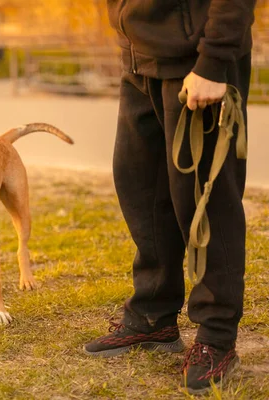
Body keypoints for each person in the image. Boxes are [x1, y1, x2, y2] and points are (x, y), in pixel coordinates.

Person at [83, 0, 257, 395]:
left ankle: (217, 336)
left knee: (205, 203)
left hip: (198, 61)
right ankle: (152, 315)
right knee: (141, 189)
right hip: (137, 56)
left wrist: (213, 61)